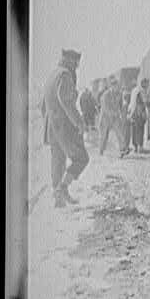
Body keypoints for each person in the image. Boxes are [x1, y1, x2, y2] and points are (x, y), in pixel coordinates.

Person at [41, 49, 90, 208]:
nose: (77, 67)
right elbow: (66, 101)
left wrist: (50, 122)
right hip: (64, 126)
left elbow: (43, 106)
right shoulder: (65, 75)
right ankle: (62, 189)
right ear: (69, 60)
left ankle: (58, 198)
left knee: (58, 161)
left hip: (52, 126)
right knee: (81, 158)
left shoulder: (51, 75)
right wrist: (79, 122)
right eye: (76, 63)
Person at [98, 75, 130, 158]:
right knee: (103, 136)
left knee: (120, 132)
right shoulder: (105, 95)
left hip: (115, 117)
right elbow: (105, 108)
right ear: (111, 86)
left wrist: (123, 110)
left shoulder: (119, 94)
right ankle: (101, 151)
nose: (116, 87)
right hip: (105, 118)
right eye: (114, 85)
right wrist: (115, 113)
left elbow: (120, 105)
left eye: (117, 85)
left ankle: (123, 150)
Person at [128, 78, 149, 153]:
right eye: (146, 84)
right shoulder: (141, 91)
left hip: (133, 113)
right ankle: (139, 146)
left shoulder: (134, 90)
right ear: (143, 84)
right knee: (140, 130)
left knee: (134, 130)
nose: (147, 86)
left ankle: (135, 147)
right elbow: (141, 102)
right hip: (138, 113)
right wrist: (143, 114)